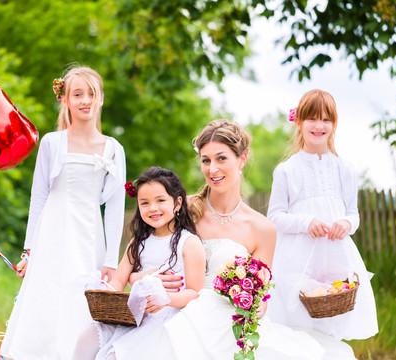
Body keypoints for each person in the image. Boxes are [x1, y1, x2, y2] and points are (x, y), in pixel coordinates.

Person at [128, 119, 356, 359]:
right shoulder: (182, 210)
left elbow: (262, 294)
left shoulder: (262, 228)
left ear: (242, 158)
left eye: (221, 158)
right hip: (176, 313)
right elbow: (143, 254)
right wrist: (138, 278)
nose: (212, 169)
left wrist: (253, 306)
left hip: (229, 321)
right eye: (206, 160)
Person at [0, 65, 126, 360]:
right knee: (46, 300)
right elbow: (39, 198)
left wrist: (110, 261)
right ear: (66, 100)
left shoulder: (113, 149)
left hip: (88, 238)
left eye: (91, 94)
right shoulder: (52, 143)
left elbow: (116, 206)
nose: (85, 101)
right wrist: (29, 250)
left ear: (101, 99)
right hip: (52, 237)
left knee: (80, 304)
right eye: (77, 94)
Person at [266, 89, 378, 340]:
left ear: (334, 124)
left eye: (326, 119)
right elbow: (274, 217)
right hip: (297, 258)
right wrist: (306, 222)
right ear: (299, 122)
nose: (319, 125)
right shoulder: (286, 170)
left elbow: (354, 214)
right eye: (312, 119)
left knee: (332, 321)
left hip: (335, 256)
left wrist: (346, 223)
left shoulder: (344, 169)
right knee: (298, 323)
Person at [73, 166, 206, 360]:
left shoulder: (189, 242)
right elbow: (119, 281)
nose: (152, 208)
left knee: (116, 355)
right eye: (144, 203)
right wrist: (101, 289)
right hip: (130, 313)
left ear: (177, 203)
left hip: (166, 315)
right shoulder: (139, 242)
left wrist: (165, 298)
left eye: (160, 200)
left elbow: (195, 293)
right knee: (85, 340)